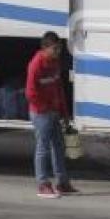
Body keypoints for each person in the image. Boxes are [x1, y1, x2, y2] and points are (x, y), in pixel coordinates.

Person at [25, 31, 78, 199]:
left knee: (59, 146)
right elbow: (30, 93)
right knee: (43, 148)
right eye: (55, 49)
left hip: (53, 112)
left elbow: (58, 88)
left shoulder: (55, 63)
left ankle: (62, 183)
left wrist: (64, 112)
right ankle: (43, 184)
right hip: (41, 114)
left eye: (59, 48)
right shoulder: (36, 64)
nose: (58, 52)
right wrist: (45, 108)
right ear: (45, 48)